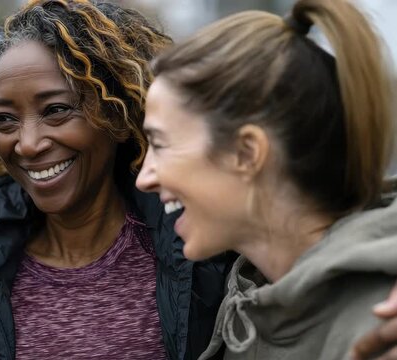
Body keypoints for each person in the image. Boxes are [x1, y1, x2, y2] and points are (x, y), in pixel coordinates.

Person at [0, 0, 233, 359]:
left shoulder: (204, 248)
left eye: (57, 110)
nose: (28, 144)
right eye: (5, 119)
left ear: (117, 110)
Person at [135, 0, 397, 358]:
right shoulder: (246, 309)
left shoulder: (379, 332)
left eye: (160, 143)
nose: (144, 178)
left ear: (247, 153)